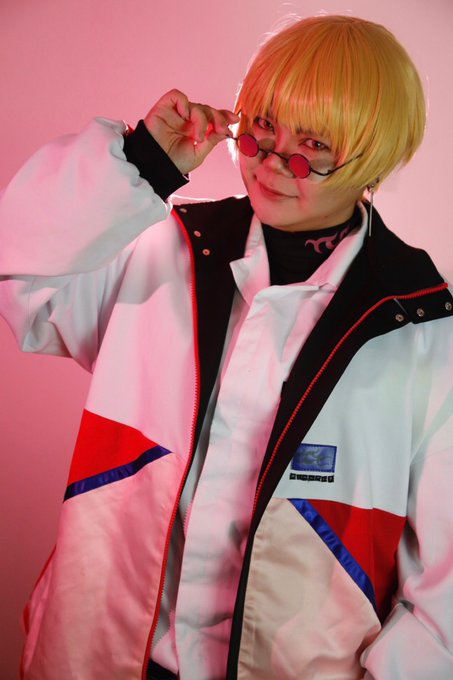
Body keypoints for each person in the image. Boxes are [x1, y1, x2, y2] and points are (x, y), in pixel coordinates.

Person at [1, 13, 452, 680]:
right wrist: (143, 166)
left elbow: (443, 598)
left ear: (374, 162)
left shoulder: (422, 331)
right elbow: (22, 278)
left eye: (312, 145)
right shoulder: (161, 245)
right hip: (102, 657)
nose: (271, 161)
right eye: (263, 125)